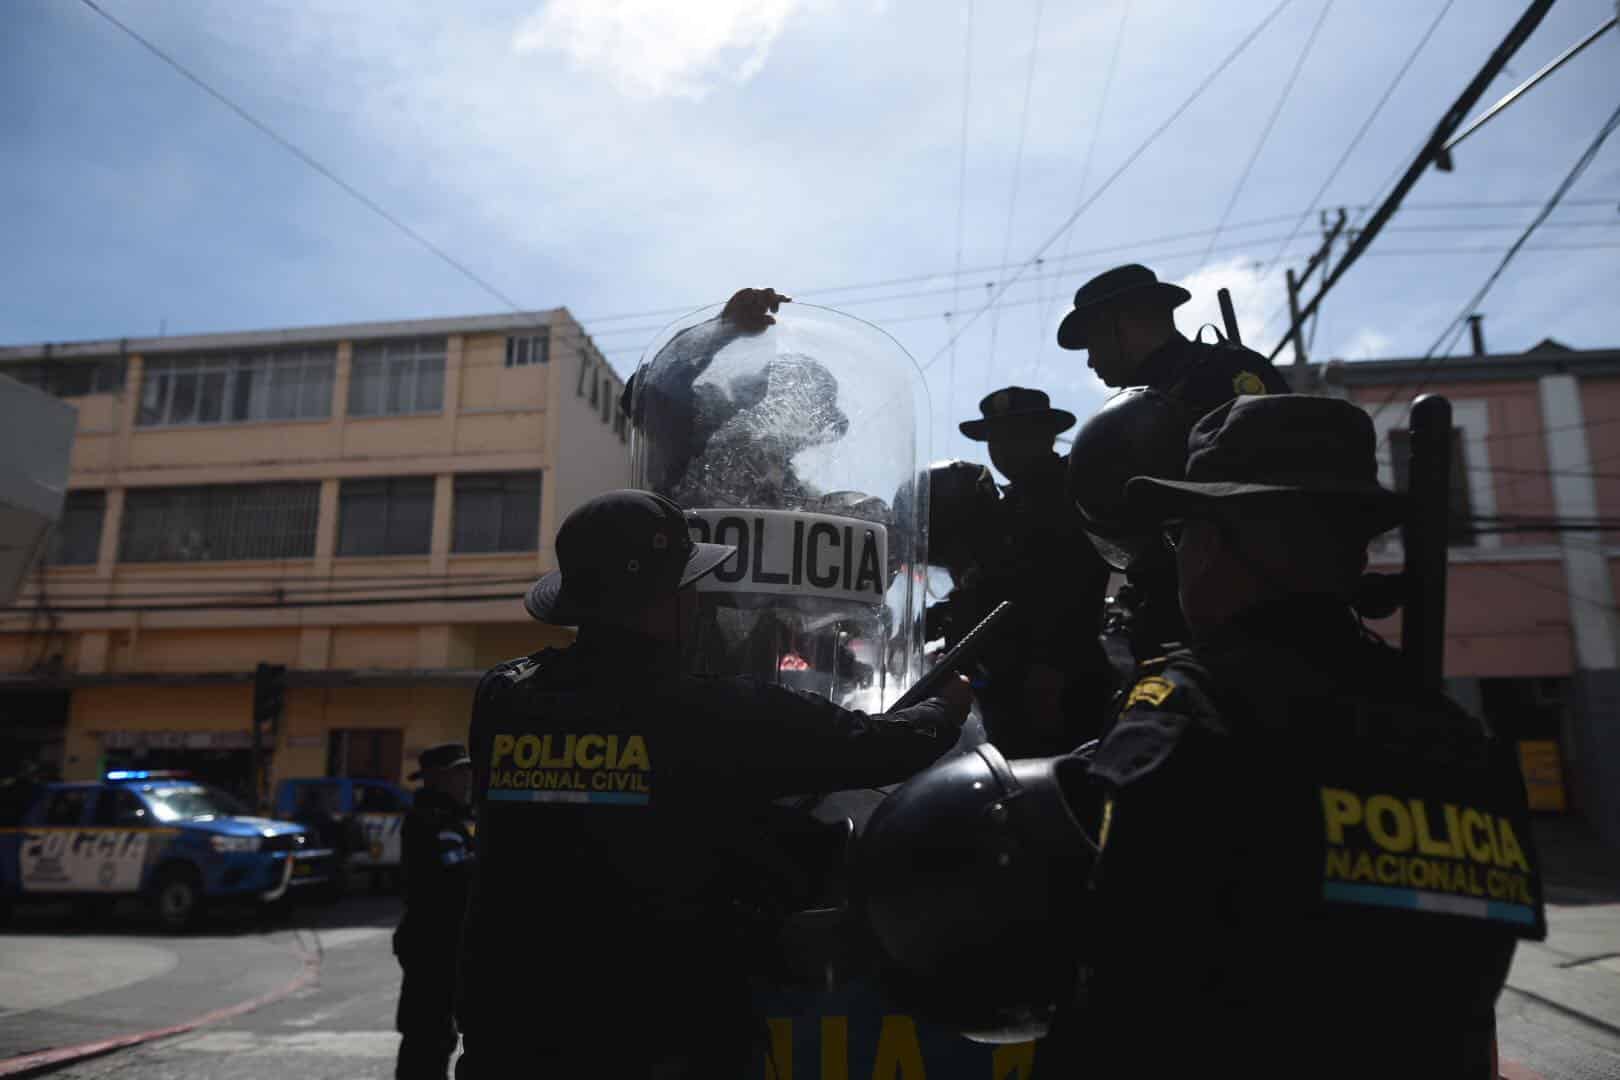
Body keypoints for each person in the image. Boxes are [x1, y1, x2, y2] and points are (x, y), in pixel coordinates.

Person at [1065, 395, 1544, 1074]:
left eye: (1185, 531)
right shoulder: (1470, 746)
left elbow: (1115, 1000)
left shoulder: (1188, 716)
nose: (1180, 556)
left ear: (1238, 539)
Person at [456, 489, 972, 1078]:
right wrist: (948, 707)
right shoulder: (711, 713)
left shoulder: (504, 696)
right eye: (688, 586)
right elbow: (882, 748)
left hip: (512, 1031)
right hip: (664, 1036)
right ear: (664, 601)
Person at [954, 388, 1114, 753]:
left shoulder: (1072, 489)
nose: (1002, 448)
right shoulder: (1003, 506)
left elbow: (1069, 585)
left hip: (1060, 680)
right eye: (994, 438)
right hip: (1007, 681)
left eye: (1015, 434)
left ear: (1045, 436)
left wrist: (1051, 668)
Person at [1055, 262, 1290, 413]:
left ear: (1121, 324)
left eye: (1093, 342)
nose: (1090, 361)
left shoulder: (1228, 371)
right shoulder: (1131, 408)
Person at [393, 743, 475, 1080]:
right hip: (432, 942)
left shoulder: (453, 818)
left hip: (442, 941)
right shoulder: (431, 820)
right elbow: (456, 876)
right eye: (459, 772)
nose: (466, 779)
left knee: (437, 1036)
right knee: (427, 1037)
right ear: (436, 777)